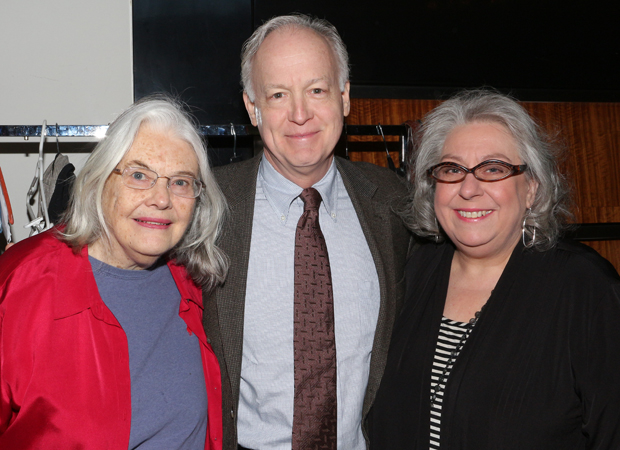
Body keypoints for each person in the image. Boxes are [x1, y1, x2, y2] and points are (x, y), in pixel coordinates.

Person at [202, 14, 412, 450]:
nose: (300, 114)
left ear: (344, 97)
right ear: (252, 107)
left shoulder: (393, 203)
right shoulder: (203, 207)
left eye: (316, 90)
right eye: (278, 94)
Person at [369, 90, 620, 449]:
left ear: (531, 188)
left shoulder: (586, 289)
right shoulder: (410, 269)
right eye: (452, 169)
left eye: (493, 169)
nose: (469, 189)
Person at [0, 96, 228, 449]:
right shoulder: (19, 283)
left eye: (180, 182)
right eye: (139, 175)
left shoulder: (192, 280)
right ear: (100, 180)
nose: (162, 198)